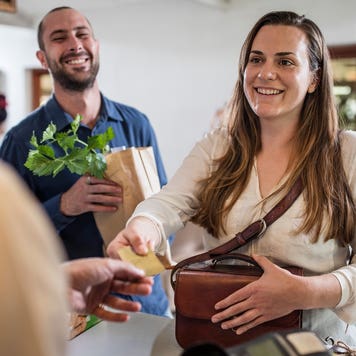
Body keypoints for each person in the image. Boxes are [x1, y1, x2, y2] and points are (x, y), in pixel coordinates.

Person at [107, 11, 356, 344]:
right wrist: (140, 230)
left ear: (313, 78)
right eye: (256, 59)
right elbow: (166, 205)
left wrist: (304, 292)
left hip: (313, 344)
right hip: (221, 342)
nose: (266, 73)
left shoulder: (347, 153)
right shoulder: (218, 147)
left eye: (285, 62)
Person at [0, 6, 170, 317]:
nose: (75, 44)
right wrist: (63, 205)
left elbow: (168, 206)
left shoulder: (136, 124)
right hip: (73, 312)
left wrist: (150, 236)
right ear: (42, 57)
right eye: (59, 37)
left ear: (96, 45)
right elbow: (6, 238)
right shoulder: (21, 141)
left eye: (82, 34)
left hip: (146, 303)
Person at [0, 161, 153, 356]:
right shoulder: (8, 174)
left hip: (145, 309)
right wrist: (63, 205)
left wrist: (60, 282)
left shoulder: (138, 129)